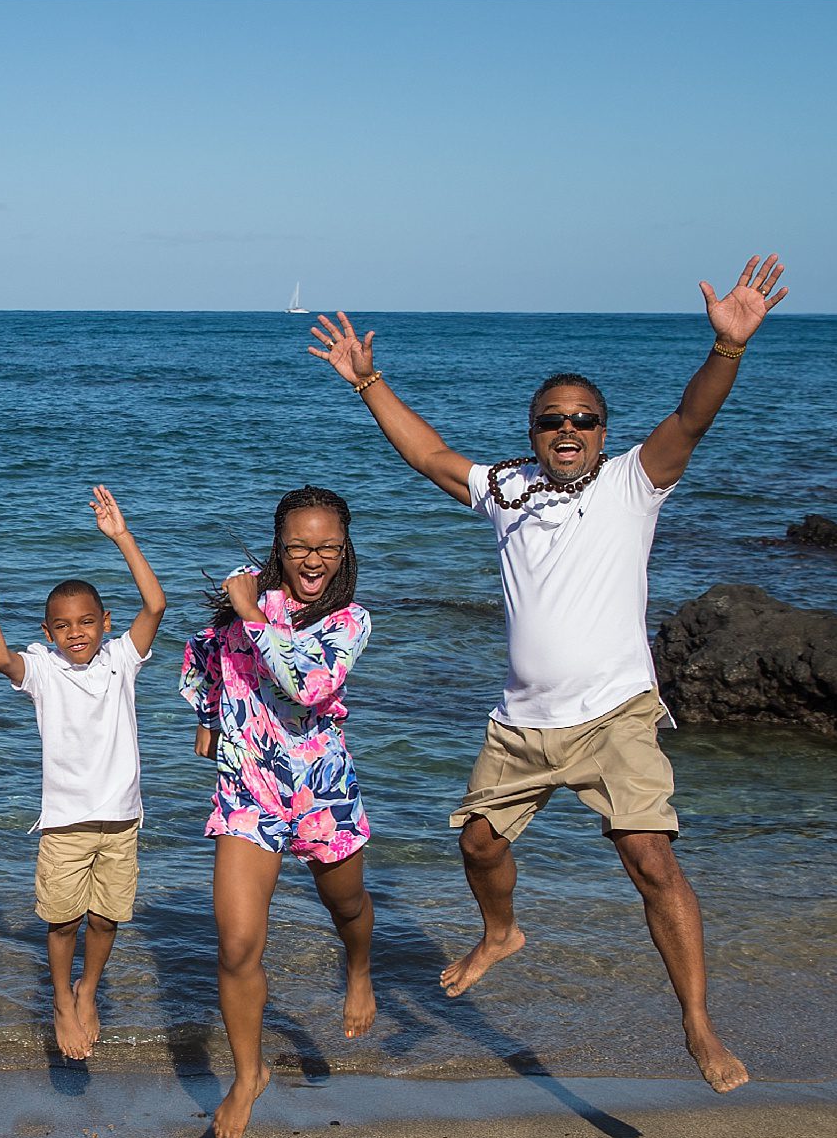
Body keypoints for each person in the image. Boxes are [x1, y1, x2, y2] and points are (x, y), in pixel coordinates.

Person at [306, 254, 789, 1094]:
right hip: (522, 723)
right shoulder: (506, 489)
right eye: (551, 420)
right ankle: (501, 932)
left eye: (585, 419)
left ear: (605, 429)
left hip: (614, 716)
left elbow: (691, 419)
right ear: (532, 432)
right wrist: (367, 381)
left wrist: (728, 351)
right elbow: (430, 457)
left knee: (649, 857)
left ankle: (698, 1023)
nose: (568, 430)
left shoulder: (636, 483)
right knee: (478, 843)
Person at [181, 487, 380, 1138]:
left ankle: (358, 968)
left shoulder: (351, 620)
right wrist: (211, 720)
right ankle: (248, 1074)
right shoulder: (243, 608)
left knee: (347, 905)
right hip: (250, 790)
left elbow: (309, 686)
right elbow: (201, 656)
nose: (311, 558)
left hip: (322, 787)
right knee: (236, 943)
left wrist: (252, 612)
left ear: (344, 548)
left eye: (325, 546)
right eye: (298, 546)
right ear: (280, 546)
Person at [0, 486, 166, 1061]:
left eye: (87, 622)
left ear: (104, 623)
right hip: (65, 823)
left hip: (120, 820)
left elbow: (157, 607)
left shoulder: (122, 660)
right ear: (48, 632)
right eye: (64, 625)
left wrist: (121, 537)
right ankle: (61, 1001)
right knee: (62, 922)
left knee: (107, 918)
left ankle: (88, 989)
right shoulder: (42, 670)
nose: (76, 633)